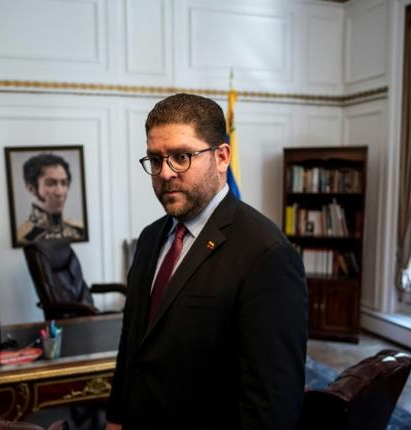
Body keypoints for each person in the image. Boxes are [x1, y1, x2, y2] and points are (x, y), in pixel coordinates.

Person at [106, 93, 308, 429]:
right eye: (155, 160)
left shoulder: (268, 254)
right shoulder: (150, 238)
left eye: (181, 157)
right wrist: (116, 419)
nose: (165, 173)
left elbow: (271, 403)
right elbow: (132, 348)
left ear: (222, 157)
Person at [16, 153, 86, 245]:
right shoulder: (22, 236)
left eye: (64, 183)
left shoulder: (80, 229)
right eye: (50, 184)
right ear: (31, 189)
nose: (60, 192)